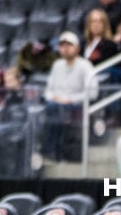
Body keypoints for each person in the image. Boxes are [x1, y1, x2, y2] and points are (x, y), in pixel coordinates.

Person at [42, 32, 98, 161]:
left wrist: (71, 100)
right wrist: (54, 98)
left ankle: (50, 149)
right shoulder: (57, 66)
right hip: (56, 104)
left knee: (56, 109)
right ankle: (50, 149)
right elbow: (47, 91)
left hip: (75, 105)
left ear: (77, 48)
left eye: (69, 45)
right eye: (62, 45)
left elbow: (93, 92)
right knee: (51, 107)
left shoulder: (86, 66)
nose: (65, 48)